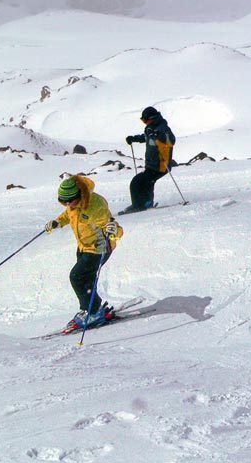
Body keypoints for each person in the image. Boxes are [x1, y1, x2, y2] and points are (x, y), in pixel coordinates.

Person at [44, 175, 124, 330]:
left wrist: (115, 232)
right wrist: (58, 222)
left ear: (80, 194)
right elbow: (68, 215)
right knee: (86, 278)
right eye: (64, 201)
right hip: (83, 246)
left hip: (99, 247)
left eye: (70, 201)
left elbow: (112, 226)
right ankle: (94, 307)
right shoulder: (73, 204)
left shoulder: (96, 205)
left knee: (77, 276)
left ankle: (92, 312)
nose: (68, 205)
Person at [121, 106, 176, 213]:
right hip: (151, 165)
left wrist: (158, 136)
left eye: (145, 120)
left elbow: (171, 141)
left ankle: (137, 205)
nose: (144, 122)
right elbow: (145, 137)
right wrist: (134, 138)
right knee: (147, 183)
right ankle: (146, 203)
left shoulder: (163, 128)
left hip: (161, 166)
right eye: (143, 120)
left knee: (136, 182)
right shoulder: (151, 128)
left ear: (152, 118)